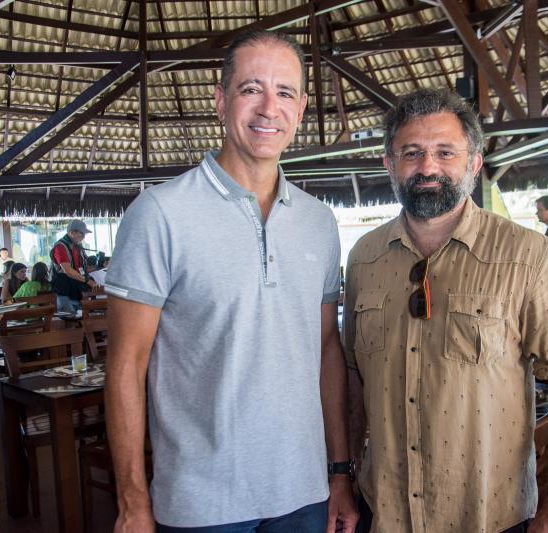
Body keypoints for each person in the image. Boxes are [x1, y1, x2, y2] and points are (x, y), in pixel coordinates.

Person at [104, 30, 358, 533]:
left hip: (304, 493)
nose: (269, 108)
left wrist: (338, 473)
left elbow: (327, 347)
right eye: (251, 89)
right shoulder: (159, 214)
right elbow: (126, 366)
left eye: (284, 92)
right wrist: (132, 503)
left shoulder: (319, 221)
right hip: (202, 503)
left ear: (301, 109)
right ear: (221, 100)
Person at [343, 88, 548, 533]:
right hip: (383, 509)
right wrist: (343, 476)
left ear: (474, 164)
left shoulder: (529, 256)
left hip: (488, 515)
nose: (427, 167)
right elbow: (353, 376)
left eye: (445, 152)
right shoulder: (364, 257)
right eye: (411, 153)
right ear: (389, 165)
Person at [49, 219, 97, 313]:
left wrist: (99, 267)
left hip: (77, 290)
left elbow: (82, 269)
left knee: (82, 318)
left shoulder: (77, 247)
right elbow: (68, 271)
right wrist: (87, 281)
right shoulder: (61, 247)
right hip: (64, 291)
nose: (83, 237)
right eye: (81, 234)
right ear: (72, 232)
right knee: (69, 317)